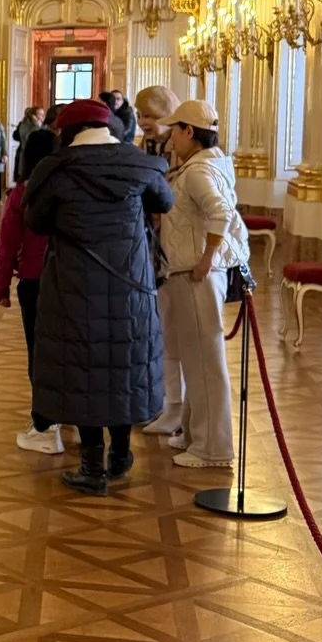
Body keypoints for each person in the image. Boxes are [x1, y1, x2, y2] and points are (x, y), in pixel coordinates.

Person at [23, 97, 174, 496]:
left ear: (68, 132)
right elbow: (165, 201)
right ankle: (121, 454)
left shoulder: (55, 170)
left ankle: (92, 467)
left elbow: (35, 221)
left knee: (82, 369)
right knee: (121, 364)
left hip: (74, 287)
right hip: (129, 284)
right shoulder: (138, 163)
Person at [158, 99, 249, 471]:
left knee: (205, 362)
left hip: (197, 273)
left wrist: (206, 260)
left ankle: (213, 447)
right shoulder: (203, 165)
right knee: (195, 359)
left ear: (189, 132)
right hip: (188, 271)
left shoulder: (198, 172)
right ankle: (195, 434)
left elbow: (222, 213)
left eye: (174, 130)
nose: (169, 139)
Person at [0, 128, 64, 454]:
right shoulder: (70, 190)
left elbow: (7, 244)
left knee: (39, 353)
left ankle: (44, 426)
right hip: (70, 281)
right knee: (68, 350)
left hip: (35, 281)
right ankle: (72, 417)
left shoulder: (22, 192)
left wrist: (1, 287)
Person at [133, 84, 185, 432]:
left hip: (177, 250)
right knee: (157, 329)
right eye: (139, 116)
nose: (143, 123)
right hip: (153, 248)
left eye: (149, 116)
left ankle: (178, 407)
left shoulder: (182, 151)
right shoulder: (144, 147)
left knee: (174, 331)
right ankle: (164, 401)